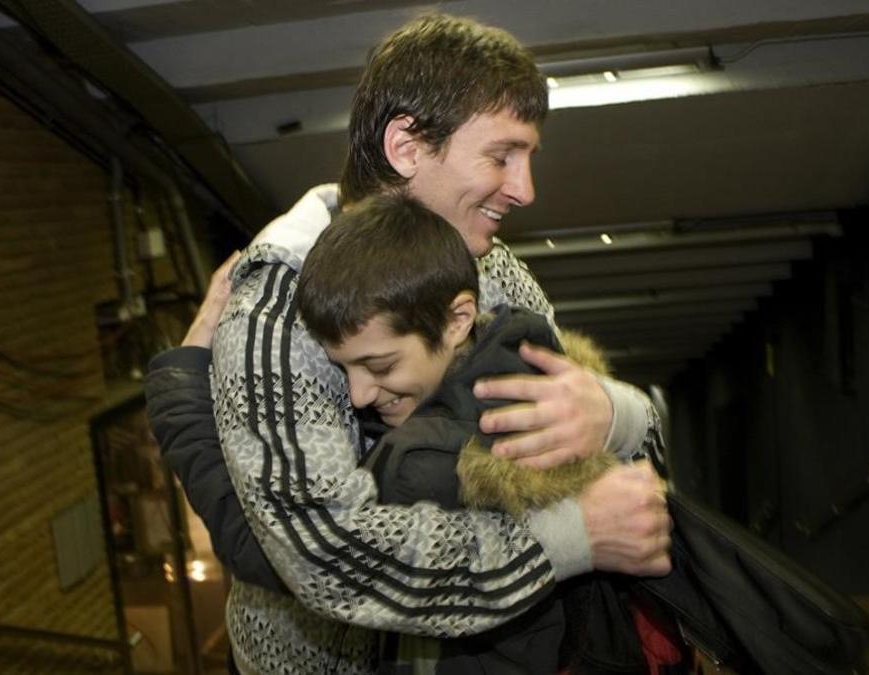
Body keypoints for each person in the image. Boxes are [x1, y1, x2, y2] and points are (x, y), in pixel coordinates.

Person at [145, 13, 671, 675]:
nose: (525, 188)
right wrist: (565, 539)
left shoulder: (491, 268)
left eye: (528, 157)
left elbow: (619, 446)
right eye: (501, 155)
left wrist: (609, 411)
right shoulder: (288, 299)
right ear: (406, 146)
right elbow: (327, 553)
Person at [296, 193, 682, 674]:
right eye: (344, 369)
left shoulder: (419, 463)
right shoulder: (554, 386)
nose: (356, 395)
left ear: (459, 320)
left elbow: (302, 559)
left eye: (381, 365)